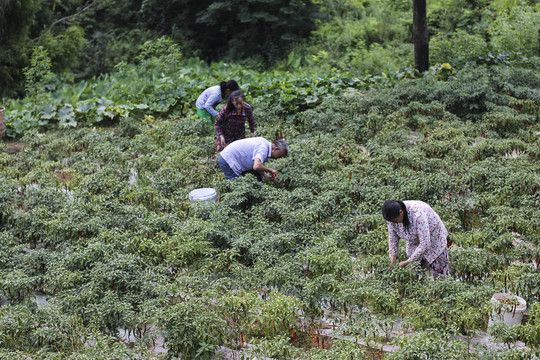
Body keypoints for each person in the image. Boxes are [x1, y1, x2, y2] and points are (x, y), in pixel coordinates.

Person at [382, 200, 450, 278]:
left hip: (434, 238)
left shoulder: (418, 215)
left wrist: (407, 262)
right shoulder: (391, 219)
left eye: (394, 221)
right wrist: (392, 264)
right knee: (414, 274)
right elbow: (393, 240)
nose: (393, 223)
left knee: (440, 274)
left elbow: (425, 244)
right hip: (415, 240)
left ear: (401, 212)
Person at [217, 137, 288, 181]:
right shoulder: (263, 148)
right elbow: (256, 166)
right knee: (236, 187)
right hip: (228, 159)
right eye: (279, 155)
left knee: (257, 179)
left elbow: (256, 164)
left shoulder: (264, 145)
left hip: (235, 159)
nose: (277, 158)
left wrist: (264, 174)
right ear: (275, 149)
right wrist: (271, 170)